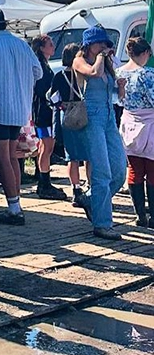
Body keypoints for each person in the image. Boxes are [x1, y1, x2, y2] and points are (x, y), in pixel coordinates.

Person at [0, 7, 42, 226]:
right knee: (12, 156)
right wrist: (20, 83)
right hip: (19, 109)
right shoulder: (22, 45)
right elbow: (38, 72)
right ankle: (16, 203)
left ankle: (14, 208)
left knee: (2, 158)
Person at [72, 27, 128, 240]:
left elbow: (116, 95)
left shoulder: (105, 63)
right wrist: (102, 57)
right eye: (101, 44)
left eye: (106, 44)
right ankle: (103, 223)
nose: (105, 47)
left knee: (119, 170)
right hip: (92, 118)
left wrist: (120, 86)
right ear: (90, 45)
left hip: (109, 117)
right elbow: (93, 73)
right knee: (102, 172)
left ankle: (90, 199)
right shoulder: (80, 61)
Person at [48, 43, 91, 210]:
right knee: (88, 155)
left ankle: (75, 188)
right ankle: (90, 186)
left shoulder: (59, 76)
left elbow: (51, 96)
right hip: (83, 114)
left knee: (71, 156)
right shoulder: (83, 74)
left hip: (67, 115)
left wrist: (60, 105)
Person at [119, 36, 154, 227]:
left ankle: (140, 216)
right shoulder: (147, 74)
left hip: (128, 123)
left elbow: (117, 99)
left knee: (134, 170)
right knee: (152, 171)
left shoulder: (119, 72)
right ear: (145, 52)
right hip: (149, 124)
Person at [30, 35, 67, 201]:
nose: (53, 46)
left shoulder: (45, 65)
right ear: (41, 47)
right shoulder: (40, 67)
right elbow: (43, 90)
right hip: (44, 112)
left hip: (45, 111)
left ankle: (43, 178)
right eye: (50, 44)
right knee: (47, 146)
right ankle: (44, 183)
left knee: (45, 147)